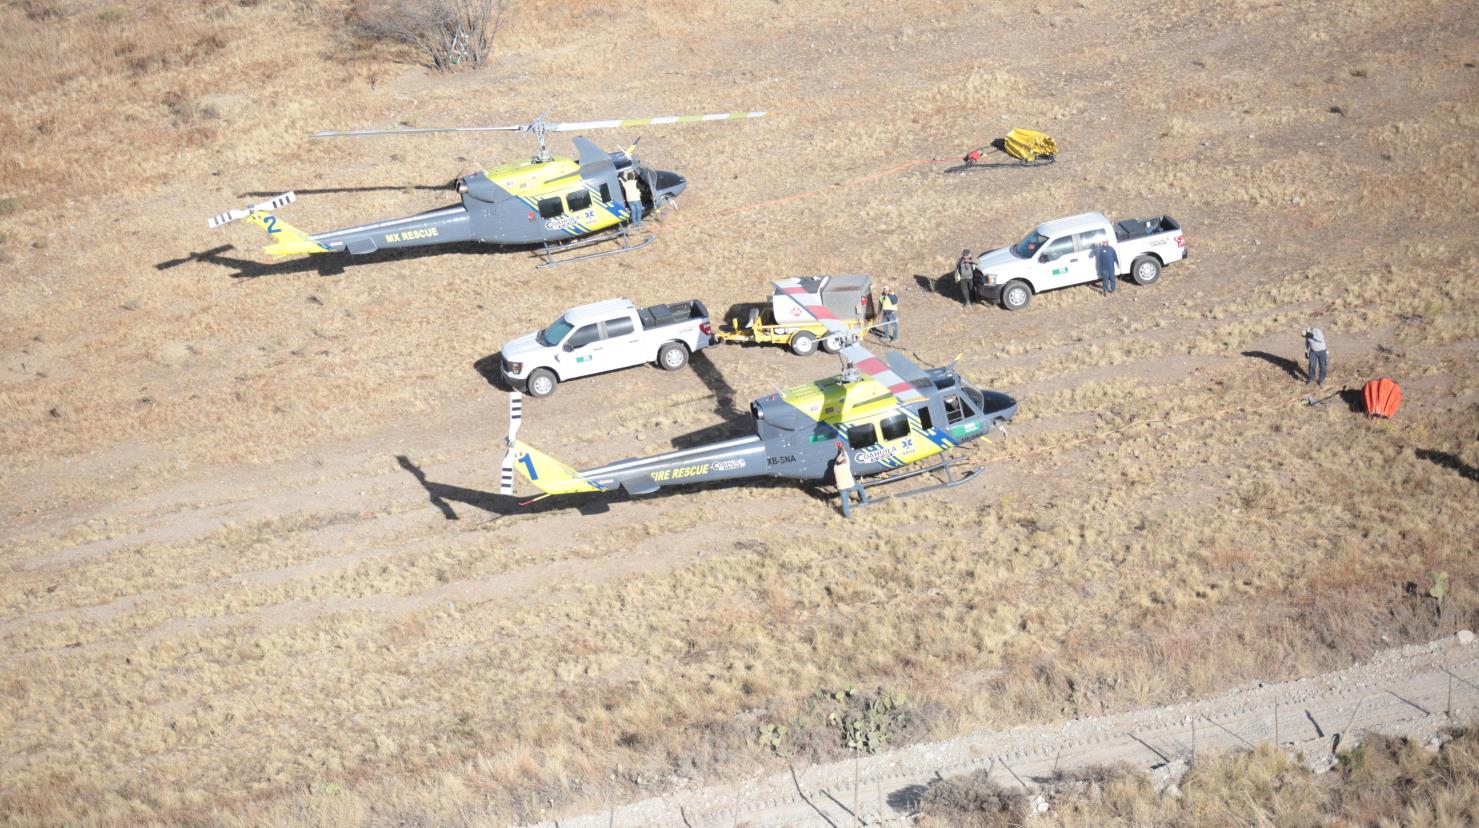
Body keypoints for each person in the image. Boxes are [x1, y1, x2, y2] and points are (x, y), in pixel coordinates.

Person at [832, 444, 867, 518]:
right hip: (850, 486)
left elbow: (837, 461)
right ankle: (864, 501)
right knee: (860, 487)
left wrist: (840, 451)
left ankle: (848, 516)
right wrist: (843, 450)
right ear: (843, 461)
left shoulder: (835, 468)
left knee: (845, 503)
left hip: (841, 488)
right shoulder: (846, 465)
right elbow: (847, 457)